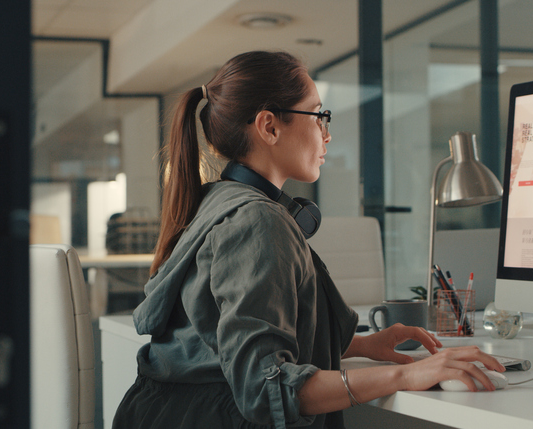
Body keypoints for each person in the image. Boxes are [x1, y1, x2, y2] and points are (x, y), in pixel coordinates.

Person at [112, 51, 504, 429]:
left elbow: (222, 342)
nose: (327, 134)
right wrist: (406, 375)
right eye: (319, 116)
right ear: (269, 127)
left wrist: (363, 346)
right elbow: (264, 388)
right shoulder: (256, 221)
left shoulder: (221, 201)